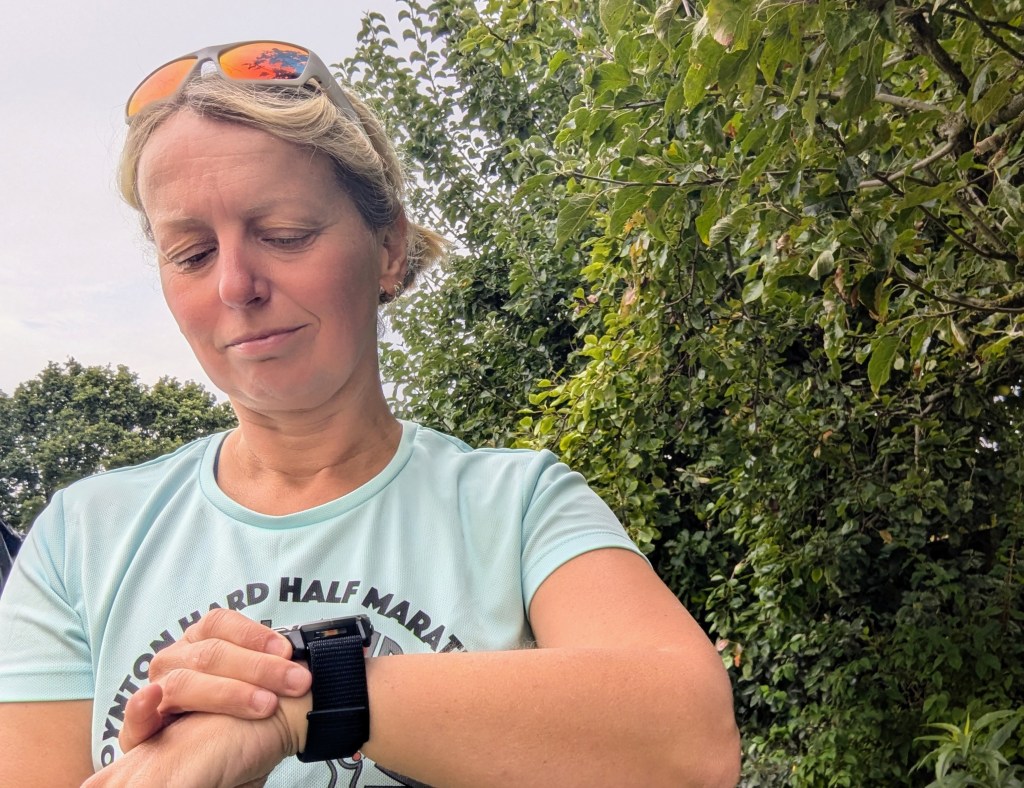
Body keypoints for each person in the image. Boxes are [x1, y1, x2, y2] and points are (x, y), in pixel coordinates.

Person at [0, 41, 740, 787]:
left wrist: (305, 700)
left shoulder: (517, 508)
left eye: (284, 234)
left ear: (387, 248)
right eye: (190, 253)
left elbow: (689, 741)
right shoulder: (79, 539)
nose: (234, 283)